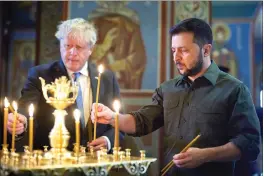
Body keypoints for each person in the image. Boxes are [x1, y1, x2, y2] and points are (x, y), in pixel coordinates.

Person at [91, 18, 260, 176]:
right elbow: (142, 122)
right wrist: (113, 118)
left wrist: (206, 155)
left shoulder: (235, 89)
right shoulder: (168, 88)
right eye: (173, 50)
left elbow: (249, 144)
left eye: (184, 51)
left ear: (206, 50)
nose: (176, 57)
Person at [7, 18, 124, 152]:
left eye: (78, 47)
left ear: (91, 49)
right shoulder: (40, 74)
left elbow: (119, 121)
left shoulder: (107, 79)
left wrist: (108, 140)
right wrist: (20, 121)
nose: (72, 53)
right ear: (60, 45)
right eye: (67, 46)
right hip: (53, 161)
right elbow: (25, 108)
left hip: (96, 162)